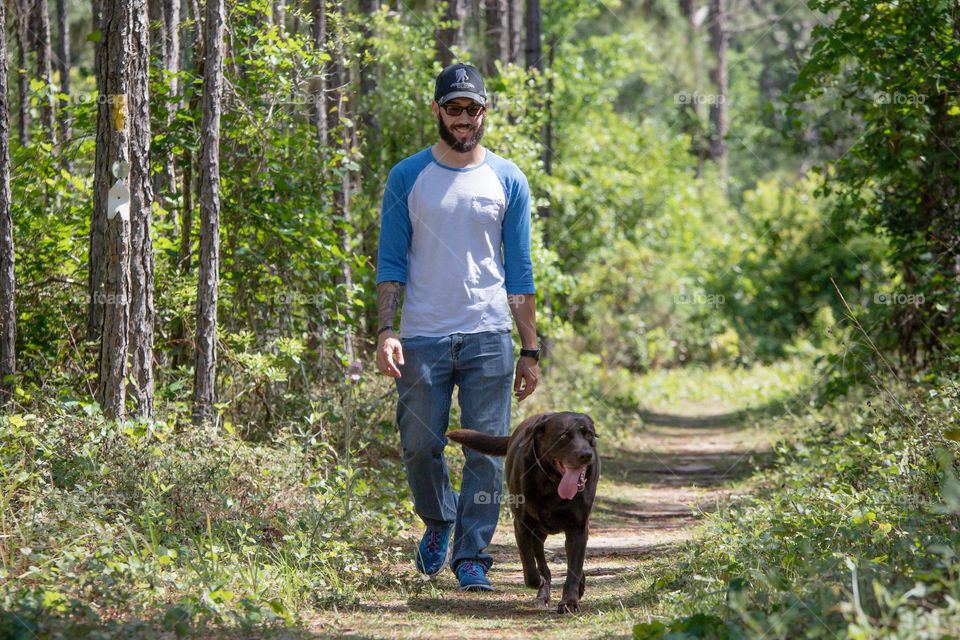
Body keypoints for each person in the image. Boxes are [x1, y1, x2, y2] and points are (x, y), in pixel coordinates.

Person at [374, 63, 541, 591]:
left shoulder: (508, 179)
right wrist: (386, 330)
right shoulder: (407, 176)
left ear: (485, 111)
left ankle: (472, 555)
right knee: (418, 446)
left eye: (473, 108)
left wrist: (530, 349)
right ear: (437, 110)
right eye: (454, 108)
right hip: (421, 336)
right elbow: (390, 260)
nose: (464, 118)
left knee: (487, 452)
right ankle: (439, 519)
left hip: (489, 335)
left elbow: (520, 271)